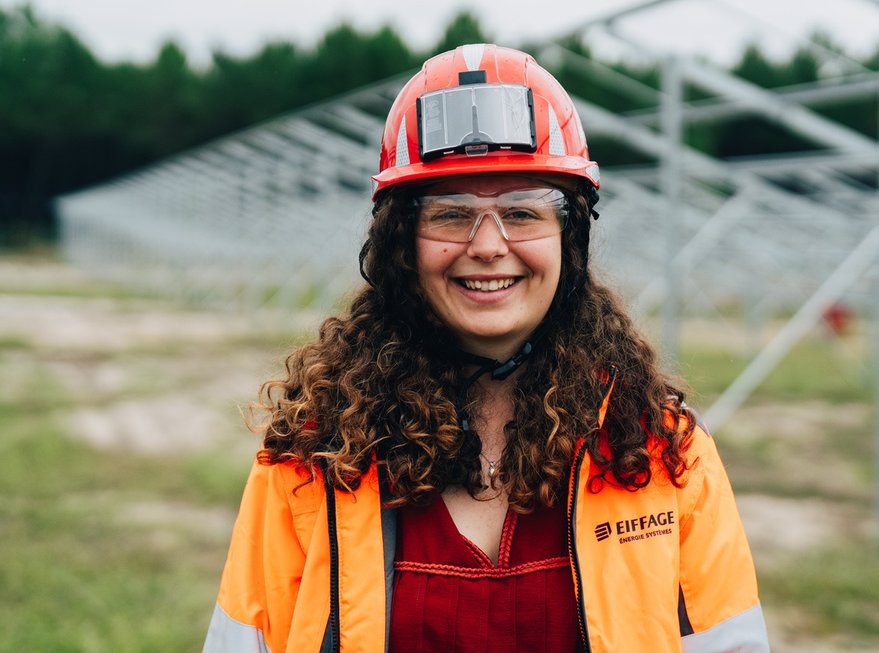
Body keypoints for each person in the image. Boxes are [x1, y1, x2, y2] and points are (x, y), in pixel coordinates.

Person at [204, 44, 769, 653]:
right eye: (450, 214)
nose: (488, 245)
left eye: (523, 211)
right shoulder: (313, 454)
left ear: (568, 241)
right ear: (402, 243)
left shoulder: (660, 449)